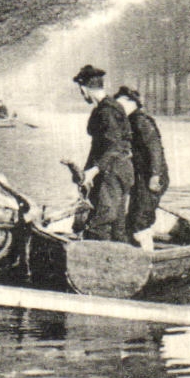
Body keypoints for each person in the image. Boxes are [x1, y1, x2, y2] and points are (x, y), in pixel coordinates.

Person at [72, 64, 133, 243]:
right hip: (118, 171)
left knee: (101, 223)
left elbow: (113, 146)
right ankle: (122, 256)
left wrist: (93, 171)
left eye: (81, 90)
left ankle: (96, 257)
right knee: (117, 226)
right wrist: (86, 173)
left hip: (112, 173)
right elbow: (100, 146)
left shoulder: (107, 111)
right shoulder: (109, 107)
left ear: (84, 89)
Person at [116, 86, 169, 250]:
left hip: (152, 179)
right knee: (133, 218)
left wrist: (155, 176)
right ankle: (137, 251)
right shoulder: (130, 121)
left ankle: (148, 256)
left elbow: (155, 149)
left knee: (141, 221)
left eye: (120, 104)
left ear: (131, 102)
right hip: (141, 178)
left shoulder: (141, 121)